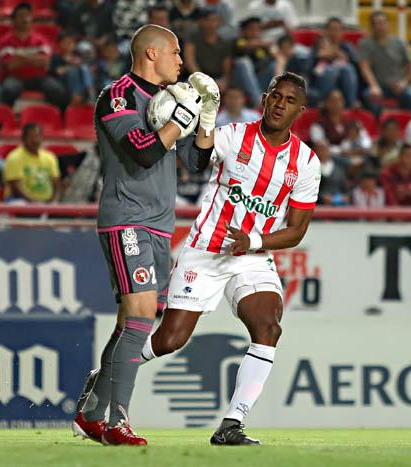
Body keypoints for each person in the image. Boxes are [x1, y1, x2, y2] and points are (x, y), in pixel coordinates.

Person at [140, 72, 320, 446]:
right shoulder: (234, 136)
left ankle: (231, 424)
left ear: (299, 111)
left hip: (250, 254)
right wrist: (200, 120)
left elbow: (297, 230)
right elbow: (198, 158)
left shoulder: (305, 162)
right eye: (275, 96)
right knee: (170, 340)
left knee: (268, 327)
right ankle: (105, 374)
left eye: (289, 100)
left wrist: (254, 240)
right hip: (206, 249)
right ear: (265, 98)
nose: (280, 105)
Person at [72, 24, 216, 446]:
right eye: (175, 52)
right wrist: (180, 120)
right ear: (151, 54)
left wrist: (205, 118)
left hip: (160, 223)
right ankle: (117, 423)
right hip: (125, 217)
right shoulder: (117, 95)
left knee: (134, 321)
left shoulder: (173, 100)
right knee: (139, 316)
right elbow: (142, 149)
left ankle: (93, 407)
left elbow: (196, 162)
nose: (181, 61)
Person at [0, 3, 67, 109]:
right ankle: (5, 121)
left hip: (40, 77)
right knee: (8, 90)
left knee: (58, 90)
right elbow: (11, 65)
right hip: (16, 77)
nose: (25, 19)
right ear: (14, 20)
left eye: (27, 15)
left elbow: (45, 62)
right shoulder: (6, 40)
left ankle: (59, 120)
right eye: (21, 16)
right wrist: (34, 59)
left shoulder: (41, 40)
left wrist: (19, 55)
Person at [359, 11, 411, 116]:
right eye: (376, 24)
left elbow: (410, 65)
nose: (380, 27)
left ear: (388, 24)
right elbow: (365, 67)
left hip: (398, 86)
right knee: (367, 96)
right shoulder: (365, 44)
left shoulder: (400, 43)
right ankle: (379, 126)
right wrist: (374, 86)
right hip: (378, 86)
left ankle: (408, 128)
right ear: (371, 26)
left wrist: (404, 83)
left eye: (382, 23)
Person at [309, 17, 360, 108]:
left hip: (341, 82)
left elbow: (353, 64)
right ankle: (323, 104)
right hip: (320, 79)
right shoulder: (319, 44)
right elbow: (314, 70)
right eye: (332, 29)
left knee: (348, 69)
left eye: (338, 30)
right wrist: (329, 55)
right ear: (326, 31)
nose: (335, 32)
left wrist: (336, 55)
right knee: (331, 71)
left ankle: (351, 104)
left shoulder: (347, 47)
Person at [3, 123, 60, 202]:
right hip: (18, 200)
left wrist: (51, 201)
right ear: (23, 139)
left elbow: (55, 183)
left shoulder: (50, 157)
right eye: (31, 137)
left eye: (38, 136)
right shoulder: (14, 157)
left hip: (46, 202)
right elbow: (15, 188)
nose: (35, 140)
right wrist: (35, 203)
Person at [183, 8, 233, 93]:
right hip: (197, 78)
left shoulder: (224, 42)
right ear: (201, 22)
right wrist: (202, 81)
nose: (211, 24)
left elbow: (226, 68)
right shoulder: (193, 38)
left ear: (219, 22)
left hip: (217, 78)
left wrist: (224, 81)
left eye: (214, 20)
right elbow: (190, 62)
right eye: (207, 20)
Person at [232, 17, 276, 104]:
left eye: (258, 29)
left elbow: (275, 55)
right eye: (251, 29)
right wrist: (262, 44)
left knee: (274, 65)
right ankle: (258, 100)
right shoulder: (239, 41)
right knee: (243, 62)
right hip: (240, 82)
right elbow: (243, 47)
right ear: (243, 31)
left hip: (258, 79)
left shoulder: (263, 46)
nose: (255, 32)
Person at [50, 31, 94, 105]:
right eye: (66, 42)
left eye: (71, 42)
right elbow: (58, 72)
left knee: (84, 68)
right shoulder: (56, 58)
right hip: (62, 82)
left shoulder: (77, 57)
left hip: (80, 83)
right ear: (59, 44)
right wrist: (71, 66)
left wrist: (79, 64)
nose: (69, 45)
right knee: (72, 71)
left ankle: (90, 92)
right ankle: (75, 97)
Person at [316, 139, 349, 206]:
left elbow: (344, 188)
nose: (322, 152)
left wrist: (345, 197)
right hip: (319, 206)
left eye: (324, 149)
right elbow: (310, 190)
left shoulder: (339, 168)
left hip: (339, 205)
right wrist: (322, 197)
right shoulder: (312, 168)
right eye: (319, 149)